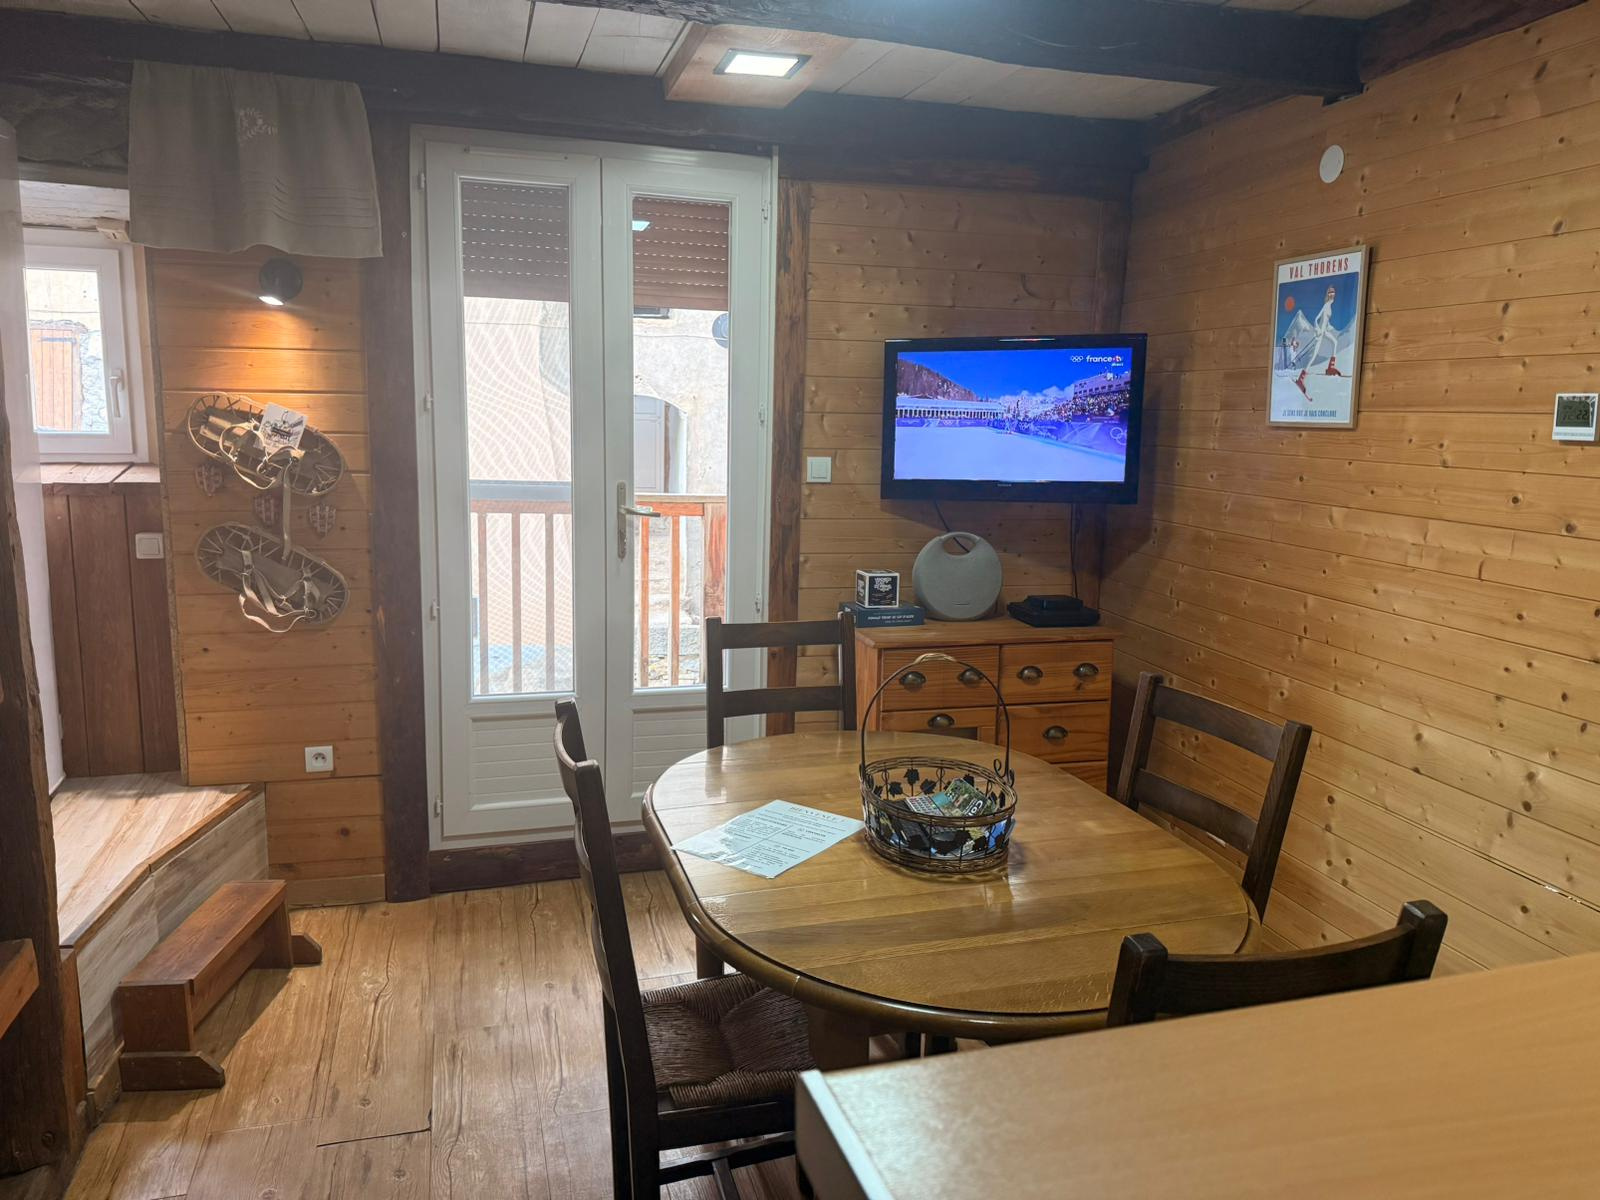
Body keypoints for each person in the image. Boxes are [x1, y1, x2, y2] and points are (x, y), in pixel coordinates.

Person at [1295, 283, 1344, 397]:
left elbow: (1326, 320)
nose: (1332, 294)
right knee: (1313, 356)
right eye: (1330, 293)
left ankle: (1330, 368)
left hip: (1324, 331)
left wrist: (1328, 326)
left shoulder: (1330, 306)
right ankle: (1300, 379)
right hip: (1320, 333)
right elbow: (1317, 318)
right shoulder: (1326, 305)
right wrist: (1317, 328)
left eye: (1333, 293)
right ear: (1328, 294)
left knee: (1335, 342)